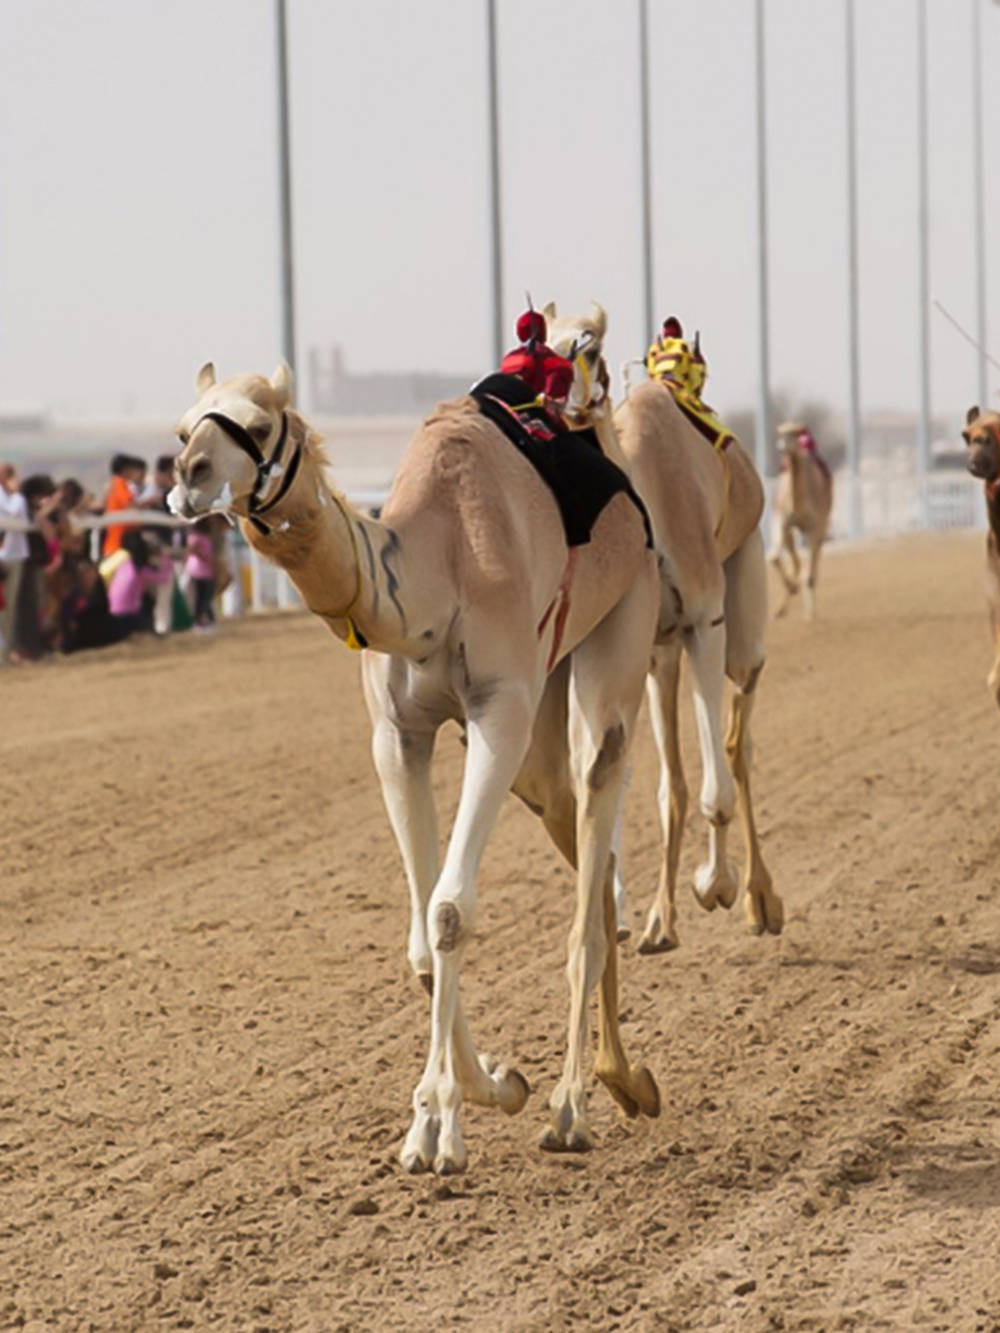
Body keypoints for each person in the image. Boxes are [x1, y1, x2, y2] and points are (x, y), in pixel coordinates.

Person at [107, 531, 173, 634]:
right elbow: (163, 579)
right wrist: (166, 560)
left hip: (113, 612)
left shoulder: (125, 564)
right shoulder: (141, 570)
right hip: (129, 616)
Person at [0, 462, 31, 662]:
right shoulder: (11, 498)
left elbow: (23, 521)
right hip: (4, 556)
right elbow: (12, 514)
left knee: (9, 608)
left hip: (15, 555)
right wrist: (18, 494)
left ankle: (6, 652)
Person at [102, 453, 150, 558]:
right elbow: (129, 505)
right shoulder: (118, 483)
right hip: (120, 540)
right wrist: (150, 502)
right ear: (125, 469)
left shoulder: (119, 485)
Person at [183, 518, 218, 630]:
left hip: (203, 569)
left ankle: (206, 620)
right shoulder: (197, 536)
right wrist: (204, 555)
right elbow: (192, 550)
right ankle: (201, 621)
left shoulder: (201, 536)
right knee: (203, 598)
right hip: (199, 570)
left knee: (204, 597)